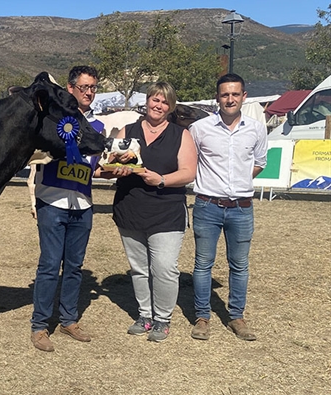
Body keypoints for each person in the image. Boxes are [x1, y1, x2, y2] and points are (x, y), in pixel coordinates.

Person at [97, 81, 197, 342]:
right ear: (147, 101)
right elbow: (103, 168)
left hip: (166, 212)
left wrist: (161, 179)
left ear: (170, 106)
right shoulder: (126, 131)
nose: (158, 105)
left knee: (164, 268)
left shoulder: (180, 135)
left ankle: (163, 319)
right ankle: (144, 315)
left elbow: (188, 172)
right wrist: (113, 170)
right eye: (155, 99)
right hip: (131, 209)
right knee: (139, 268)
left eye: (164, 101)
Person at [28, 65, 106, 352]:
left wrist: (112, 170)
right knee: (49, 266)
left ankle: (69, 319)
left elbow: (93, 169)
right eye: (84, 87)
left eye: (93, 88)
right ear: (71, 89)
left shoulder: (98, 127)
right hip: (52, 202)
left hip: (83, 206)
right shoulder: (54, 120)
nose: (89, 93)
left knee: (74, 267)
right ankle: (40, 326)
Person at [188, 73, 267, 341]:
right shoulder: (199, 129)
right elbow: (191, 161)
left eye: (235, 94)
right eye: (225, 94)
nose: (230, 99)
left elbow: (259, 163)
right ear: (217, 98)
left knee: (240, 265)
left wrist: (238, 183)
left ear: (244, 96)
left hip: (242, 208)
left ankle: (236, 316)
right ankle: (202, 317)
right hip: (207, 205)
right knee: (202, 265)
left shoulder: (257, 129)